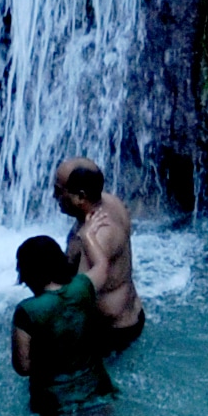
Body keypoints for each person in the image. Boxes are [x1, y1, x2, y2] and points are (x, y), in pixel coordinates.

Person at [8, 234, 116, 416]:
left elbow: (23, 367)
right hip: (98, 392)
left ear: (25, 273)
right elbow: (102, 265)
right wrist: (88, 235)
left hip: (54, 404)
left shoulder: (27, 311)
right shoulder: (83, 287)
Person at [53, 157, 144, 368]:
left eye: (59, 191)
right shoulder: (110, 202)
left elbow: (77, 298)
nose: (54, 197)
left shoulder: (96, 238)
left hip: (113, 333)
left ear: (80, 197)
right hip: (131, 314)